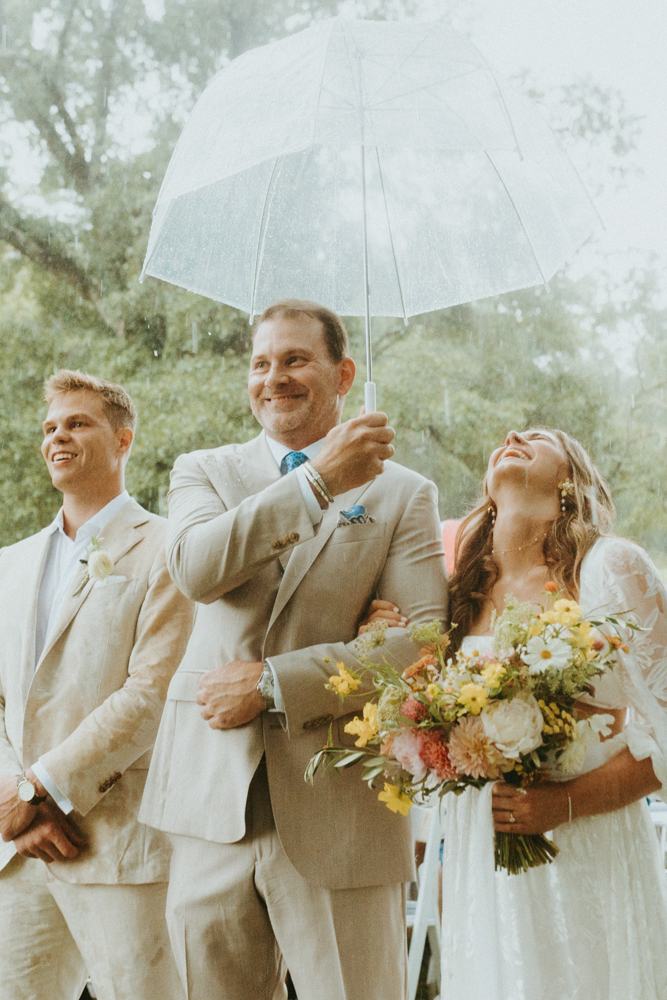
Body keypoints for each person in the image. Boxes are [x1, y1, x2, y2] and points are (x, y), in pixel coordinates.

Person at [139, 299, 448, 1000]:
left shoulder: (404, 494)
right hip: (208, 804)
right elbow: (195, 569)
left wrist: (275, 682)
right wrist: (316, 481)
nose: (273, 377)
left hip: (342, 806)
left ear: (343, 374)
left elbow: (421, 642)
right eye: (260, 362)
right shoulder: (203, 471)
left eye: (294, 359)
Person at [368, 427, 667, 1000]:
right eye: (507, 437)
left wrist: (562, 803)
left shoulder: (611, 567)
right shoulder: (459, 597)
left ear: (570, 482)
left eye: (540, 436)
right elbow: (426, 718)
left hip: (586, 849)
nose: (511, 435)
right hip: (485, 855)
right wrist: (387, 642)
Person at [0, 370, 194, 1000]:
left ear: (124, 440)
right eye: (50, 427)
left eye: (78, 423)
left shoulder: (168, 549)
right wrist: (14, 804)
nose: (59, 435)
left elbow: (151, 694)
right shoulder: (10, 563)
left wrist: (40, 788)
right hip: (17, 849)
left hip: (117, 844)